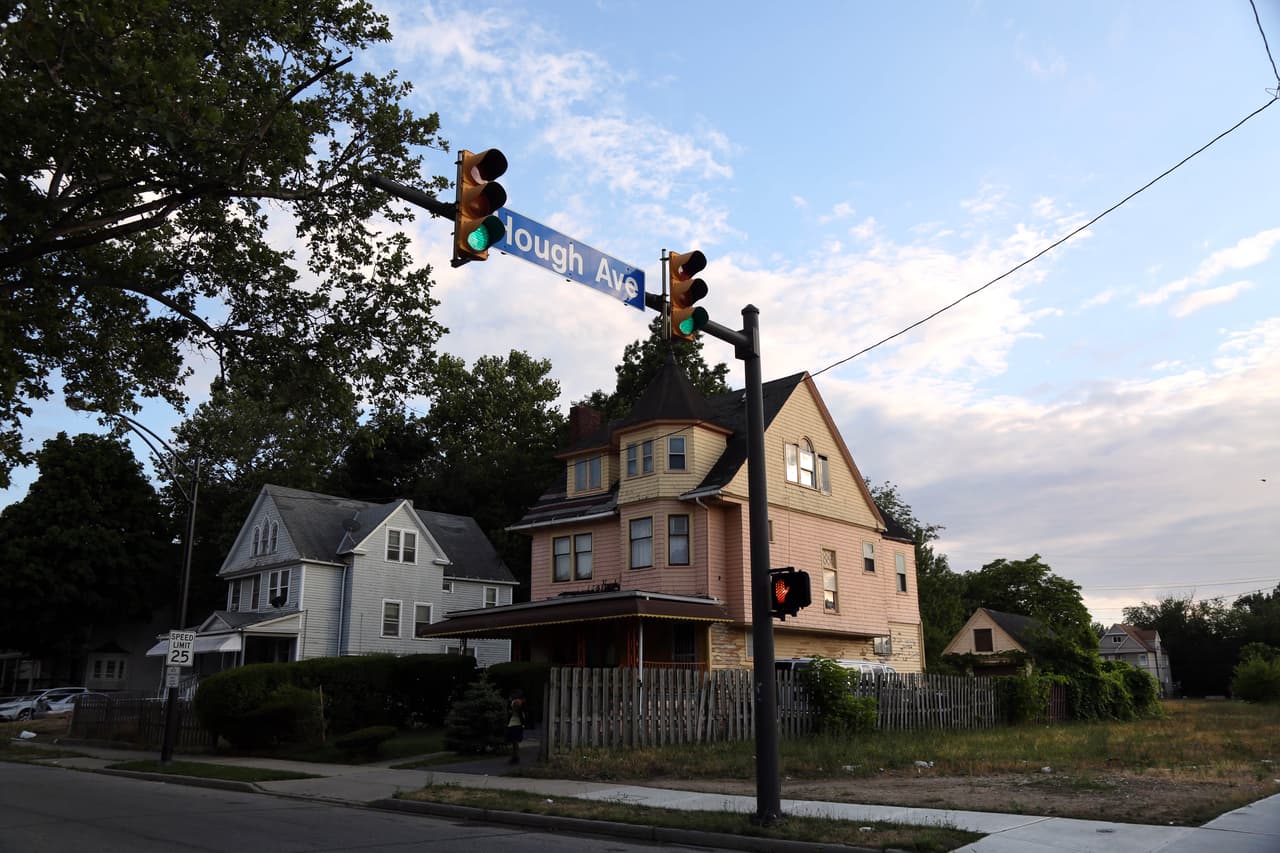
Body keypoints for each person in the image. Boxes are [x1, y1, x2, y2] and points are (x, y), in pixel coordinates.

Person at [505, 689, 526, 764]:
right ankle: (514, 757)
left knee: (515, 742)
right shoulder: (516, 702)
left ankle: (515, 757)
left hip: (516, 723)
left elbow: (518, 711)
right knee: (514, 742)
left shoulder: (518, 703)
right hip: (514, 723)